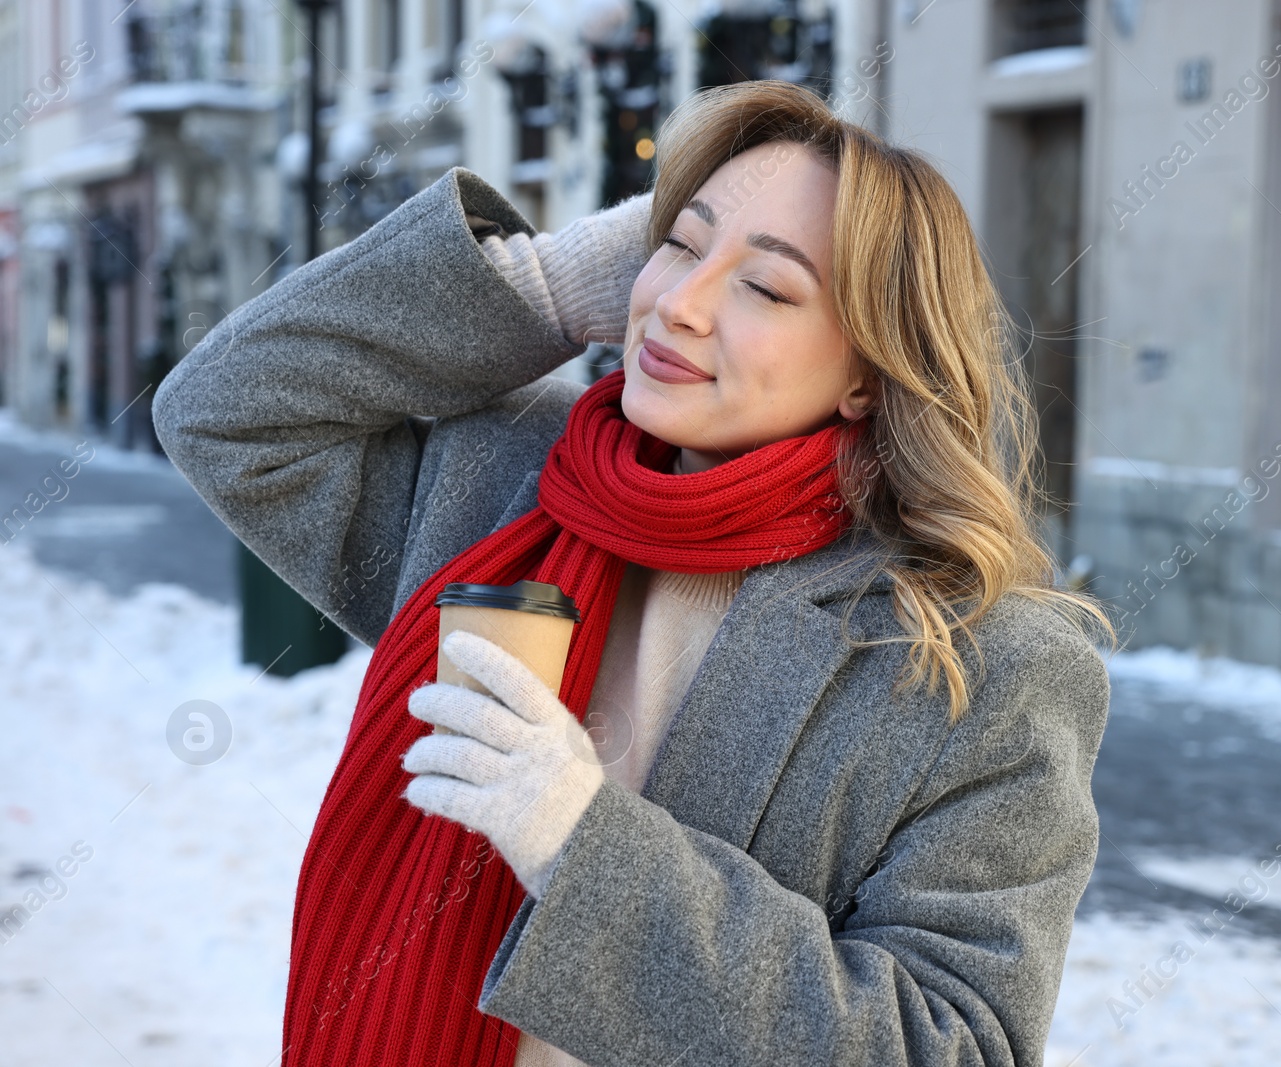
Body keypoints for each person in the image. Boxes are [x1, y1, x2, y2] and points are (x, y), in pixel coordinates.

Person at [153, 79, 1113, 1067]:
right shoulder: (499, 490)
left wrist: (584, 842)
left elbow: (954, 1045)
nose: (680, 305)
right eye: (679, 246)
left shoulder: (984, 664)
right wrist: (550, 286)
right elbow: (227, 411)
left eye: (767, 287)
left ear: (869, 370)